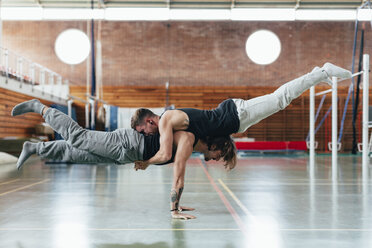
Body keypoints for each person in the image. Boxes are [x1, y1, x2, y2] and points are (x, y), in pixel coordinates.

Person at [12, 99, 236, 219]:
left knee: (74, 153)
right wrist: (173, 210)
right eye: (220, 155)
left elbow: (175, 173)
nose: (216, 160)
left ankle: (36, 148)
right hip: (127, 144)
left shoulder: (192, 141)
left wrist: (177, 205)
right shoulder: (188, 138)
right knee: (78, 137)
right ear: (216, 145)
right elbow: (176, 173)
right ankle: (40, 107)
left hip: (125, 155)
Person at [131, 63, 352, 168]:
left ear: (150, 121)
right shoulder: (171, 123)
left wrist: (145, 162)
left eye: (143, 131)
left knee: (280, 99)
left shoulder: (166, 121)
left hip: (236, 113)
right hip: (236, 120)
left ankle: (323, 72)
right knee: (280, 101)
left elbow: (164, 153)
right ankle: (314, 75)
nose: (146, 135)